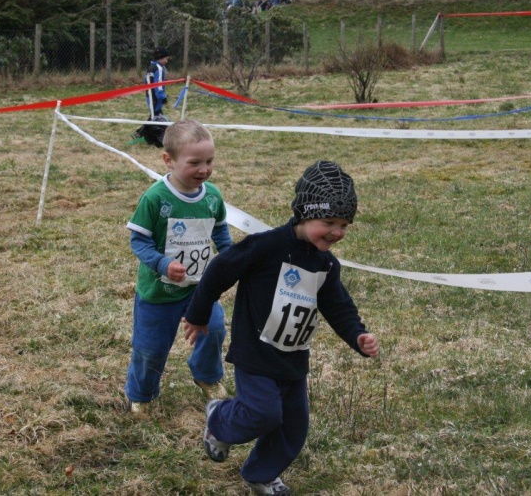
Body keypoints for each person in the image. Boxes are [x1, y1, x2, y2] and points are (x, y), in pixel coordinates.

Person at [183, 161, 380, 495]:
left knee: (293, 427)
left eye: (344, 225)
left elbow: (338, 305)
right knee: (262, 413)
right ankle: (219, 419)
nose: (336, 232)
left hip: (293, 357)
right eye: (328, 222)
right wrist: (198, 314)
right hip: (255, 352)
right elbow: (219, 270)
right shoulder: (265, 246)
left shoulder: (326, 264)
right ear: (304, 214)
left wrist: (357, 335)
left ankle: (260, 474)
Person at [125, 119, 232, 413]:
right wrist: (162, 263)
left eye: (209, 161)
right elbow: (139, 242)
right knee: (151, 349)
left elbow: (220, 232)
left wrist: (231, 257)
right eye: (194, 162)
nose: (204, 169)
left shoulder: (213, 197)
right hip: (158, 294)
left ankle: (206, 375)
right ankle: (141, 395)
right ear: (168, 160)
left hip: (199, 288)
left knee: (214, 329)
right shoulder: (155, 198)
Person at [134, 46, 171, 147]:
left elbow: (146, 81)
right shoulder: (159, 68)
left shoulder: (151, 67)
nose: (167, 61)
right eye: (166, 59)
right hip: (155, 97)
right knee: (155, 116)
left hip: (149, 95)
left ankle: (141, 133)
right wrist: (163, 97)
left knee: (155, 115)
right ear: (160, 57)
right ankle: (141, 133)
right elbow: (158, 84)